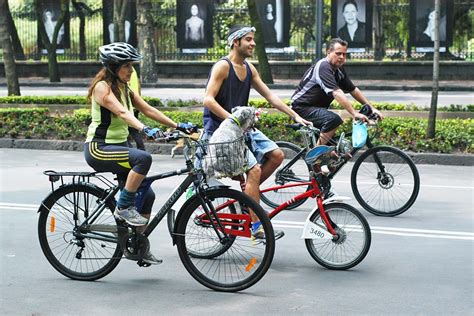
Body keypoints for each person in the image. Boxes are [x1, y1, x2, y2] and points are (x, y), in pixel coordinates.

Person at [84, 42, 197, 265]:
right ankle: (124, 207)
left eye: (132, 66)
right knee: (143, 159)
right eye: (127, 66)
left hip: (119, 148)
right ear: (113, 66)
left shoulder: (124, 87)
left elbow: (148, 109)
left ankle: (138, 245)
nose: (131, 70)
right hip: (98, 149)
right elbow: (122, 113)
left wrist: (177, 126)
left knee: (148, 195)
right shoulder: (102, 88)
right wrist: (145, 129)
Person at [202, 25, 311, 241]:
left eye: (253, 39)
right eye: (249, 40)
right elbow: (207, 99)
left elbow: (271, 97)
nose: (253, 44)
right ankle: (255, 226)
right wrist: (232, 120)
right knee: (253, 172)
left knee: (277, 155)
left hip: (242, 130)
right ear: (236, 42)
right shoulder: (223, 67)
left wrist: (295, 116)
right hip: (221, 133)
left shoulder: (249, 69)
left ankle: (248, 199)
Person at [291, 38, 383, 146]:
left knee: (334, 152)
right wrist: (354, 113)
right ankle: (317, 155)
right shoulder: (323, 67)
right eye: (338, 53)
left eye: (344, 54)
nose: (342, 57)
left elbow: (353, 90)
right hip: (301, 108)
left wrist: (371, 108)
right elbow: (337, 93)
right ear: (328, 52)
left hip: (316, 109)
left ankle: (321, 157)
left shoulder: (339, 69)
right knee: (334, 120)